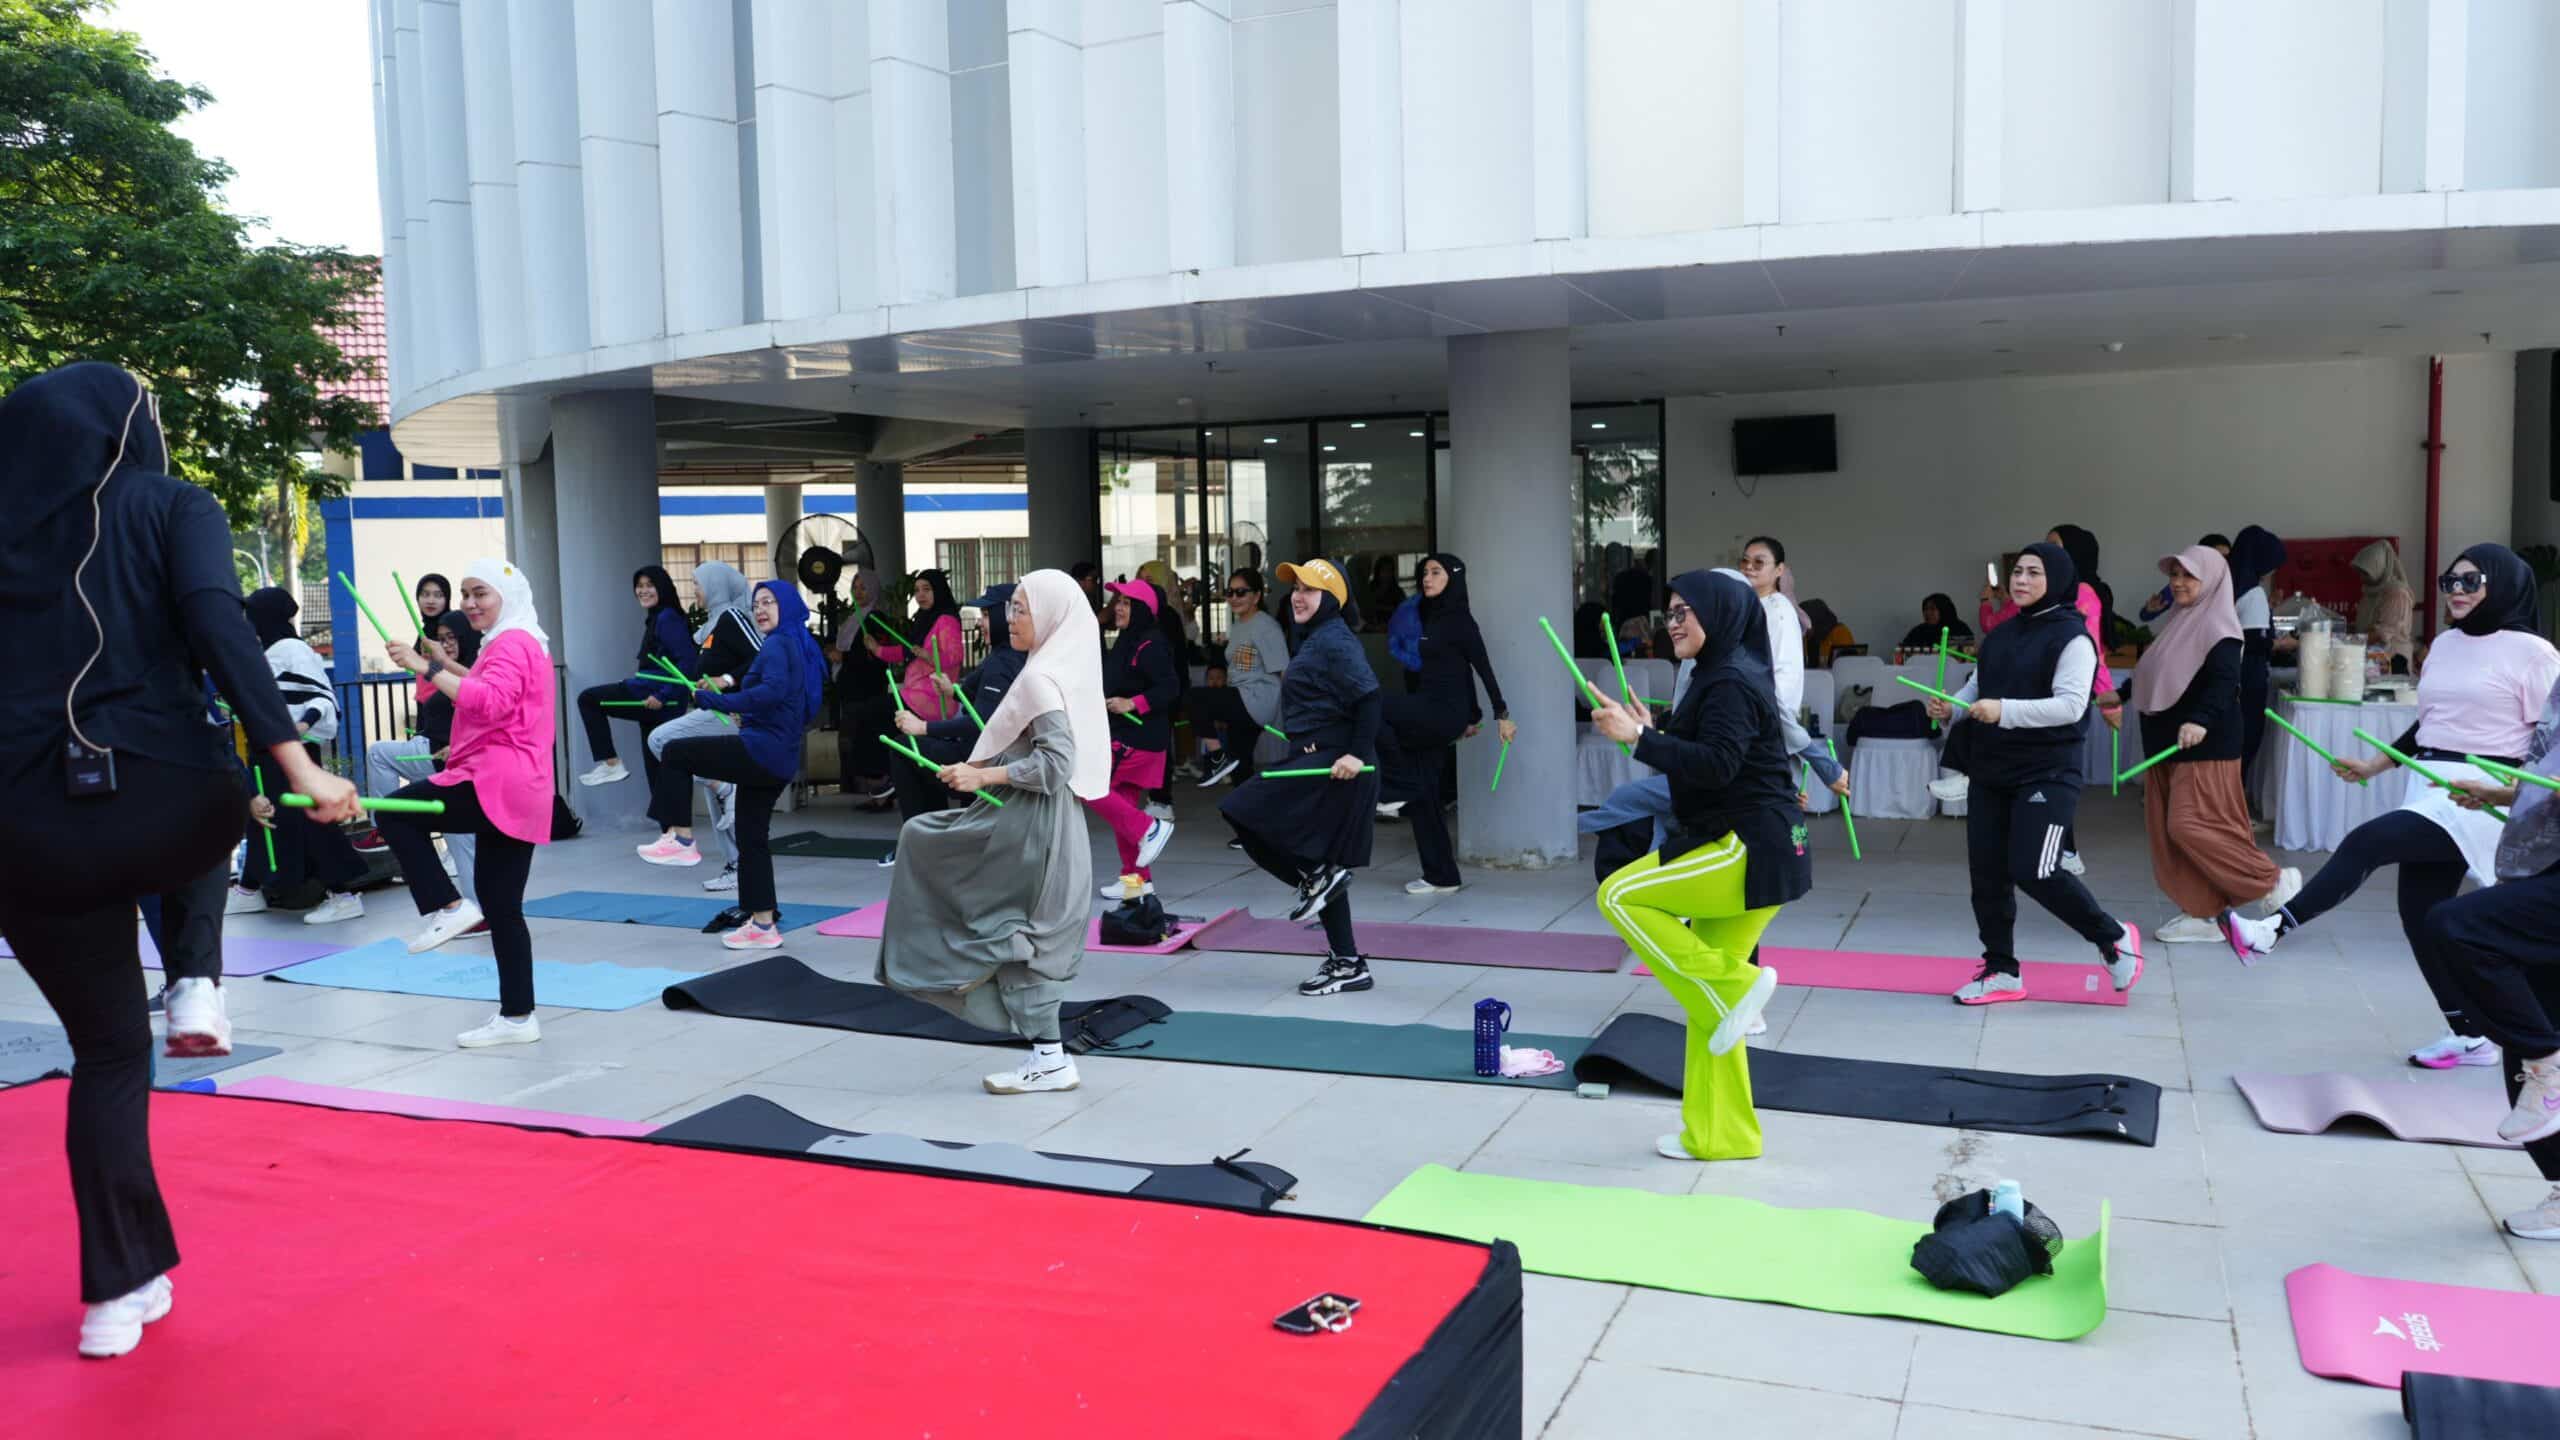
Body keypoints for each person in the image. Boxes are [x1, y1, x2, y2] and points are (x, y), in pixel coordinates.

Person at [0, 361, 360, 1358]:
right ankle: (197, 978)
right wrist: (300, 766)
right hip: (162, 798)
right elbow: (219, 628)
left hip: (22, 836)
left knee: (108, 1056)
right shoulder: (170, 503)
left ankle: (116, 1296)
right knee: (225, 798)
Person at [2227, 545, 2560, 1066]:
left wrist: (2514, 794)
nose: (2457, 592)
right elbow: (2430, 725)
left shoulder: (2535, 654)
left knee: (2368, 841)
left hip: (2489, 790)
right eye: (2451, 581)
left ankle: (2273, 929)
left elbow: (2550, 741)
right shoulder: (2446, 645)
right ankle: (2470, 1034)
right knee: (2421, 916)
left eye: (2471, 582)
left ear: (2503, 586)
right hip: (2431, 784)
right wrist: (2374, 765)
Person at [1588, 569, 1810, 1162]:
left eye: (1686, 611)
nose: (1674, 622)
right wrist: (1651, 729)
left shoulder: (1731, 679)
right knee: (1707, 1006)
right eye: (1671, 612)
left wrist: (1639, 740)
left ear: (1721, 612)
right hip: (1765, 847)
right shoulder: (1720, 674)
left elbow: (1715, 765)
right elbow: (1710, 752)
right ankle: (1722, 1135)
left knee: (1619, 895)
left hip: (1747, 846)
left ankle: (1734, 986)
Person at [879, 569, 1110, 1095]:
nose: (1011, 619)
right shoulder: (1057, 669)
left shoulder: (1039, 678)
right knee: (1017, 929)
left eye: (1022, 609)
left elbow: (1055, 764)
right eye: (1012, 608)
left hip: (1030, 824)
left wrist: (983, 773)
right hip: (1041, 822)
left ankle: (1046, 1056)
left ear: (1050, 615)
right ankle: (1049, 1057)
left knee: (1006, 921)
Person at [1923, 542, 2144, 1004]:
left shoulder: (2073, 638)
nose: (2020, 581)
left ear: (2058, 581)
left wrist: (2001, 711)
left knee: (2036, 869)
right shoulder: (2002, 635)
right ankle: (2001, 969)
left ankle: (2112, 937)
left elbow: (2068, 707)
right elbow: (1978, 688)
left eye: (2033, 573)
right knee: (1986, 875)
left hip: (2046, 771)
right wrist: (1953, 708)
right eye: (2017, 573)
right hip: (1991, 768)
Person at [379, 558, 559, 1048]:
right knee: (503, 907)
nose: (470, 603)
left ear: (507, 595)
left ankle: (449, 904)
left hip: (494, 777)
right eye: (466, 594)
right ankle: (519, 1016)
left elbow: (489, 701)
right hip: (522, 785)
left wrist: (423, 667)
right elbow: (482, 685)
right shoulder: (519, 640)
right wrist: (437, 663)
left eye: (481, 593)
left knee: (394, 811)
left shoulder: (513, 642)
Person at [2427, 673, 2560, 1235]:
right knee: (2525, 1048)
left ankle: (2548, 1065)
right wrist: (2503, 794)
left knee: (2458, 925)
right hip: (2544, 864)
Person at [1222, 559, 1383, 996]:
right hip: (1319, 758)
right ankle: (1347, 962)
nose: (1298, 595)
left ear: (1330, 599)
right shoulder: (1315, 637)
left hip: (1336, 765)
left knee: (1239, 808)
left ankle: (1314, 876)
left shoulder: (1334, 640)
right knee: (1325, 862)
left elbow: (1369, 698)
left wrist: (1356, 753)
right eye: (1295, 588)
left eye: (1310, 589)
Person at [2129, 545, 2296, 945]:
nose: (2179, 583)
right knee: (2171, 835)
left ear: (2213, 580)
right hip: (2166, 746)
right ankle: (2201, 913)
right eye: (2175, 575)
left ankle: (2270, 881)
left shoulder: (2219, 628)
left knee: (2191, 826)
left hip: (2204, 745)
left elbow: (2224, 682)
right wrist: (2117, 695)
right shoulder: (2179, 621)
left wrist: (2200, 720)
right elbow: (2157, 674)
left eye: (2189, 575)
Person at [660, 580, 825, 950]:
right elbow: (783, 702)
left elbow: (771, 693)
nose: (761, 609)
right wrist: (746, 716)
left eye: (769, 602)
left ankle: (681, 837)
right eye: (756, 604)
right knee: (752, 839)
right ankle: (762, 925)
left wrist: (715, 702)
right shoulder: (793, 643)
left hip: (762, 752)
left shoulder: (781, 643)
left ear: (788, 606)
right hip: (776, 755)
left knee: (675, 752)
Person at [1972, 528, 2122, 875]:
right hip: (2018, 716)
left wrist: (2108, 699)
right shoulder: (2023, 611)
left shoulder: (2081, 598)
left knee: (2050, 781)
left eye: (2054, 550)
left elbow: (2090, 649)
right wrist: (1987, 601)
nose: (2026, 574)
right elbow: (1994, 626)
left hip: (2046, 717)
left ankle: (2065, 851)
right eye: (2020, 570)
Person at [1374, 555, 1513, 895]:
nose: (1427, 578)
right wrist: (1471, 716)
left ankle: (1392, 789)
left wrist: (1500, 714)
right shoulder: (1421, 616)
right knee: (1426, 796)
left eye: (1436, 572)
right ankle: (1442, 876)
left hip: (1442, 711)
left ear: (1454, 577)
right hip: (1427, 710)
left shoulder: (1461, 620)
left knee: (1372, 704)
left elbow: (1480, 667)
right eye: (1424, 572)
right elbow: (1441, 669)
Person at [233, 587, 369, 924]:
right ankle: (249, 890)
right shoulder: (267, 650)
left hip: (292, 747)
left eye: (253, 613)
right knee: (267, 816)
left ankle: (344, 895)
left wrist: (301, 725)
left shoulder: (292, 649)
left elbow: (320, 696)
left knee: (308, 816)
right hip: (270, 746)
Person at [572, 565, 703, 864]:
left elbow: (688, 661)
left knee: (589, 700)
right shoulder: (658, 617)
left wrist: (663, 695)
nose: (643, 590)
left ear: (663, 587)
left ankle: (611, 763)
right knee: (658, 771)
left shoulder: (668, 617)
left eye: (649, 584)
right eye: (639, 585)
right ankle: (672, 837)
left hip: (653, 697)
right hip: (651, 697)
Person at [361, 609, 482, 911]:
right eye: (442, 639)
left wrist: (458, 744)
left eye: (452, 638)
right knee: (460, 841)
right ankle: (477, 911)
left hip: (458, 763)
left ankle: (381, 828)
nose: (447, 644)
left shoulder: (473, 673)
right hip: (444, 760)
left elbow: (486, 710)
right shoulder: (449, 672)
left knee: (378, 754)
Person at [889, 581, 1027, 833]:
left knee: (903, 750)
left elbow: (980, 721)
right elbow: (988, 700)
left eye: (986, 615)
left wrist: (923, 727)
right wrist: (954, 691)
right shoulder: (1005, 654)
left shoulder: (1003, 662)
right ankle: (929, 832)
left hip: (982, 758)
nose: (979, 623)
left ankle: (919, 836)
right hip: (991, 754)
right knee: (911, 751)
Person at [853, 570, 967, 816]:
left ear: (938, 590)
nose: (920, 595)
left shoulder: (946, 619)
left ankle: (889, 777)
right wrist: (877, 648)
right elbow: (905, 652)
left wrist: (929, 656)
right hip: (914, 695)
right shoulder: (925, 620)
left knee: (870, 715)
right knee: (881, 724)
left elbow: (956, 657)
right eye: (917, 590)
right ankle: (896, 779)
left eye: (926, 589)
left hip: (932, 698)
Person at [1090, 580, 1178, 901]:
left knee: (1091, 787)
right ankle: (1135, 882)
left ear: (1141, 609)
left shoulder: (1151, 644)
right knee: (1120, 809)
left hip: (1139, 739)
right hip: (1129, 735)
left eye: (1127, 603)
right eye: (1118, 601)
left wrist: (1132, 703)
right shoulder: (1129, 639)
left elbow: (1170, 687)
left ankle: (1148, 829)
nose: (1118, 607)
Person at [1188, 568, 1288, 788]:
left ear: (1257, 596)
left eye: (1241, 592)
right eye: (1229, 592)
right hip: (1241, 699)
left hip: (1256, 700)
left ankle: (1216, 758)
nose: (1233, 598)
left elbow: (1283, 671)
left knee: (1193, 698)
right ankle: (1256, 819)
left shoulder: (1266, 627)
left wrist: (1297, 715)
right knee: (1241, 770)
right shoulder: (1239, 625)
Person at [829, 563, 894, 798]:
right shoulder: (854, 618)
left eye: (863, 588)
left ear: (873, 590)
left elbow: (873, 656)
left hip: (867, 691)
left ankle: (874, 790)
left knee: (865, 738)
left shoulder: (876, 618)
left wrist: (843, 656)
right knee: (852, 738)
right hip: (850, 689)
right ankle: (860, 789)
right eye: (855, 587)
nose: (858, 592)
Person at [2226, 526, 2287, 774]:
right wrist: (2283, 644)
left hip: (2227, 672)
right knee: (2247, 738)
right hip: (2249, 677)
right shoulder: (2254, 593)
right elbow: (2254, 643)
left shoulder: (2228, 584)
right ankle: (2232, 803)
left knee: (2229, 741)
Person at [2353, 538, 2418, 672]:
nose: (2361, 577)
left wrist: (2345, 643)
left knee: (2388, 692)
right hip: (2375, 658)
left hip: (2394, 661)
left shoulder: (2397, 594)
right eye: (2360, 572)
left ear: (2379, 568)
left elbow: (2381, 633)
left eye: (2365, 573)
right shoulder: (2374, 590)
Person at [2138, 535, 2233, 622]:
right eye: (2216, 557)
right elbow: (2145, 616)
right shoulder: (2186, 583)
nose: (2223, 562)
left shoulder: (2236, 582)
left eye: (2226, 557)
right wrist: (2150, 610)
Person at [1897, 593, 1974, 654]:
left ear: (1944, 610)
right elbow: (1902, 650)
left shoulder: (1960, 628)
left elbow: (1968, 653)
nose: (1927, 613)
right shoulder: (1918, 631)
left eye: (1932, 609)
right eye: (1925, 609)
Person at [1799, 599, 1852, 666]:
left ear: (1818, 622)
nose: (1802, 629)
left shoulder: (1840, 633)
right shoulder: (1803, 637)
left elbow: (1849, 666)